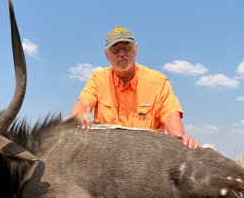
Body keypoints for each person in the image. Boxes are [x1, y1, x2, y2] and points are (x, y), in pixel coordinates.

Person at [71, 26, 200, 148]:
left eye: (126, 48)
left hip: (145, 160)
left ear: (136, 49)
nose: (121, 54)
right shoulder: (98, 79)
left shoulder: (158, 82)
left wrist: (180, 137)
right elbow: (83, 104)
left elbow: (169, 114)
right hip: (108, 159)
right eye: (115, 50)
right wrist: (79, 116)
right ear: (107, 55)